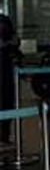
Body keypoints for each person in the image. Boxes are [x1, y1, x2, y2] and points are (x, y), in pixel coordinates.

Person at [0, 14, 17, 144]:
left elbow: (15, 39)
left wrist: (10, 43)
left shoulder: (5, 19)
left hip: (6, 69)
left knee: (7, 102)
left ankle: (5, 136)